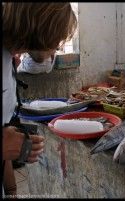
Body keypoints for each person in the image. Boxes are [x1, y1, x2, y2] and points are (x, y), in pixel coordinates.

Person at [2, 3, 77, 197]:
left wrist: (11, 191)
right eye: (58, 38)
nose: (58, 47)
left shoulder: (9, 58)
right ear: (43, 27)